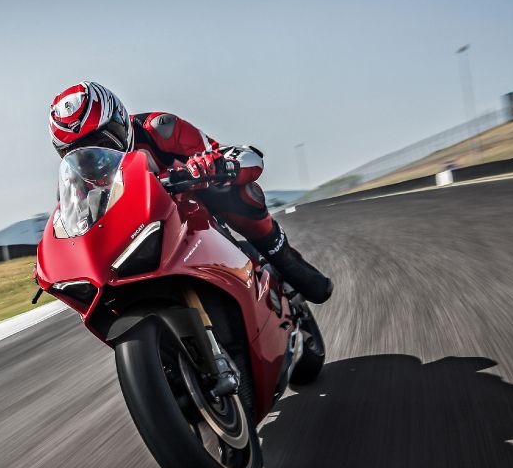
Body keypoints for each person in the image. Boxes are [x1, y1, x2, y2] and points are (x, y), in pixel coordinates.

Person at [48, 81, 332, 303]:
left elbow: (239, 158)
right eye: (77, 153)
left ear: (120, 122)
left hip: (195, 207)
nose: (93, 157)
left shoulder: (160, 128)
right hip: (141, 235)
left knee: (237, 192)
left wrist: (212, 165)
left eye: (101, 142)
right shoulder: (77, 182)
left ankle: (283, 258)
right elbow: (74, 223)